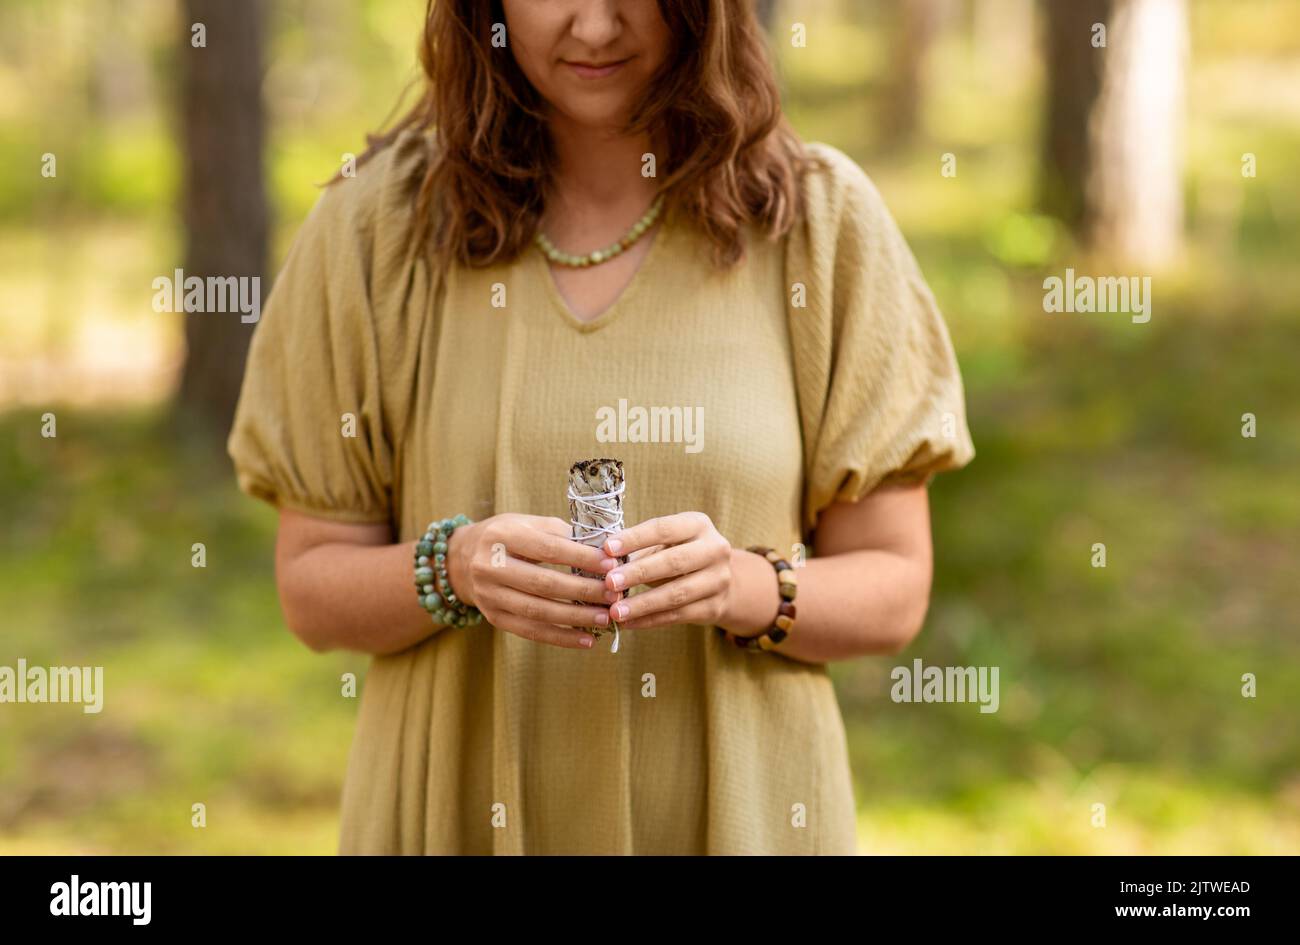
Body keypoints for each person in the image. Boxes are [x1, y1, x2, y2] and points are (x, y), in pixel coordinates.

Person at [228, 0, 975, 855]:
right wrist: (455, 567)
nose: (593, 26)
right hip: (456, 816)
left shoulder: (816, 224)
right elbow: (313, 588)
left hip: (745, 820)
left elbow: (894, 586)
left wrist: (738, 585)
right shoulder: (380, 225)